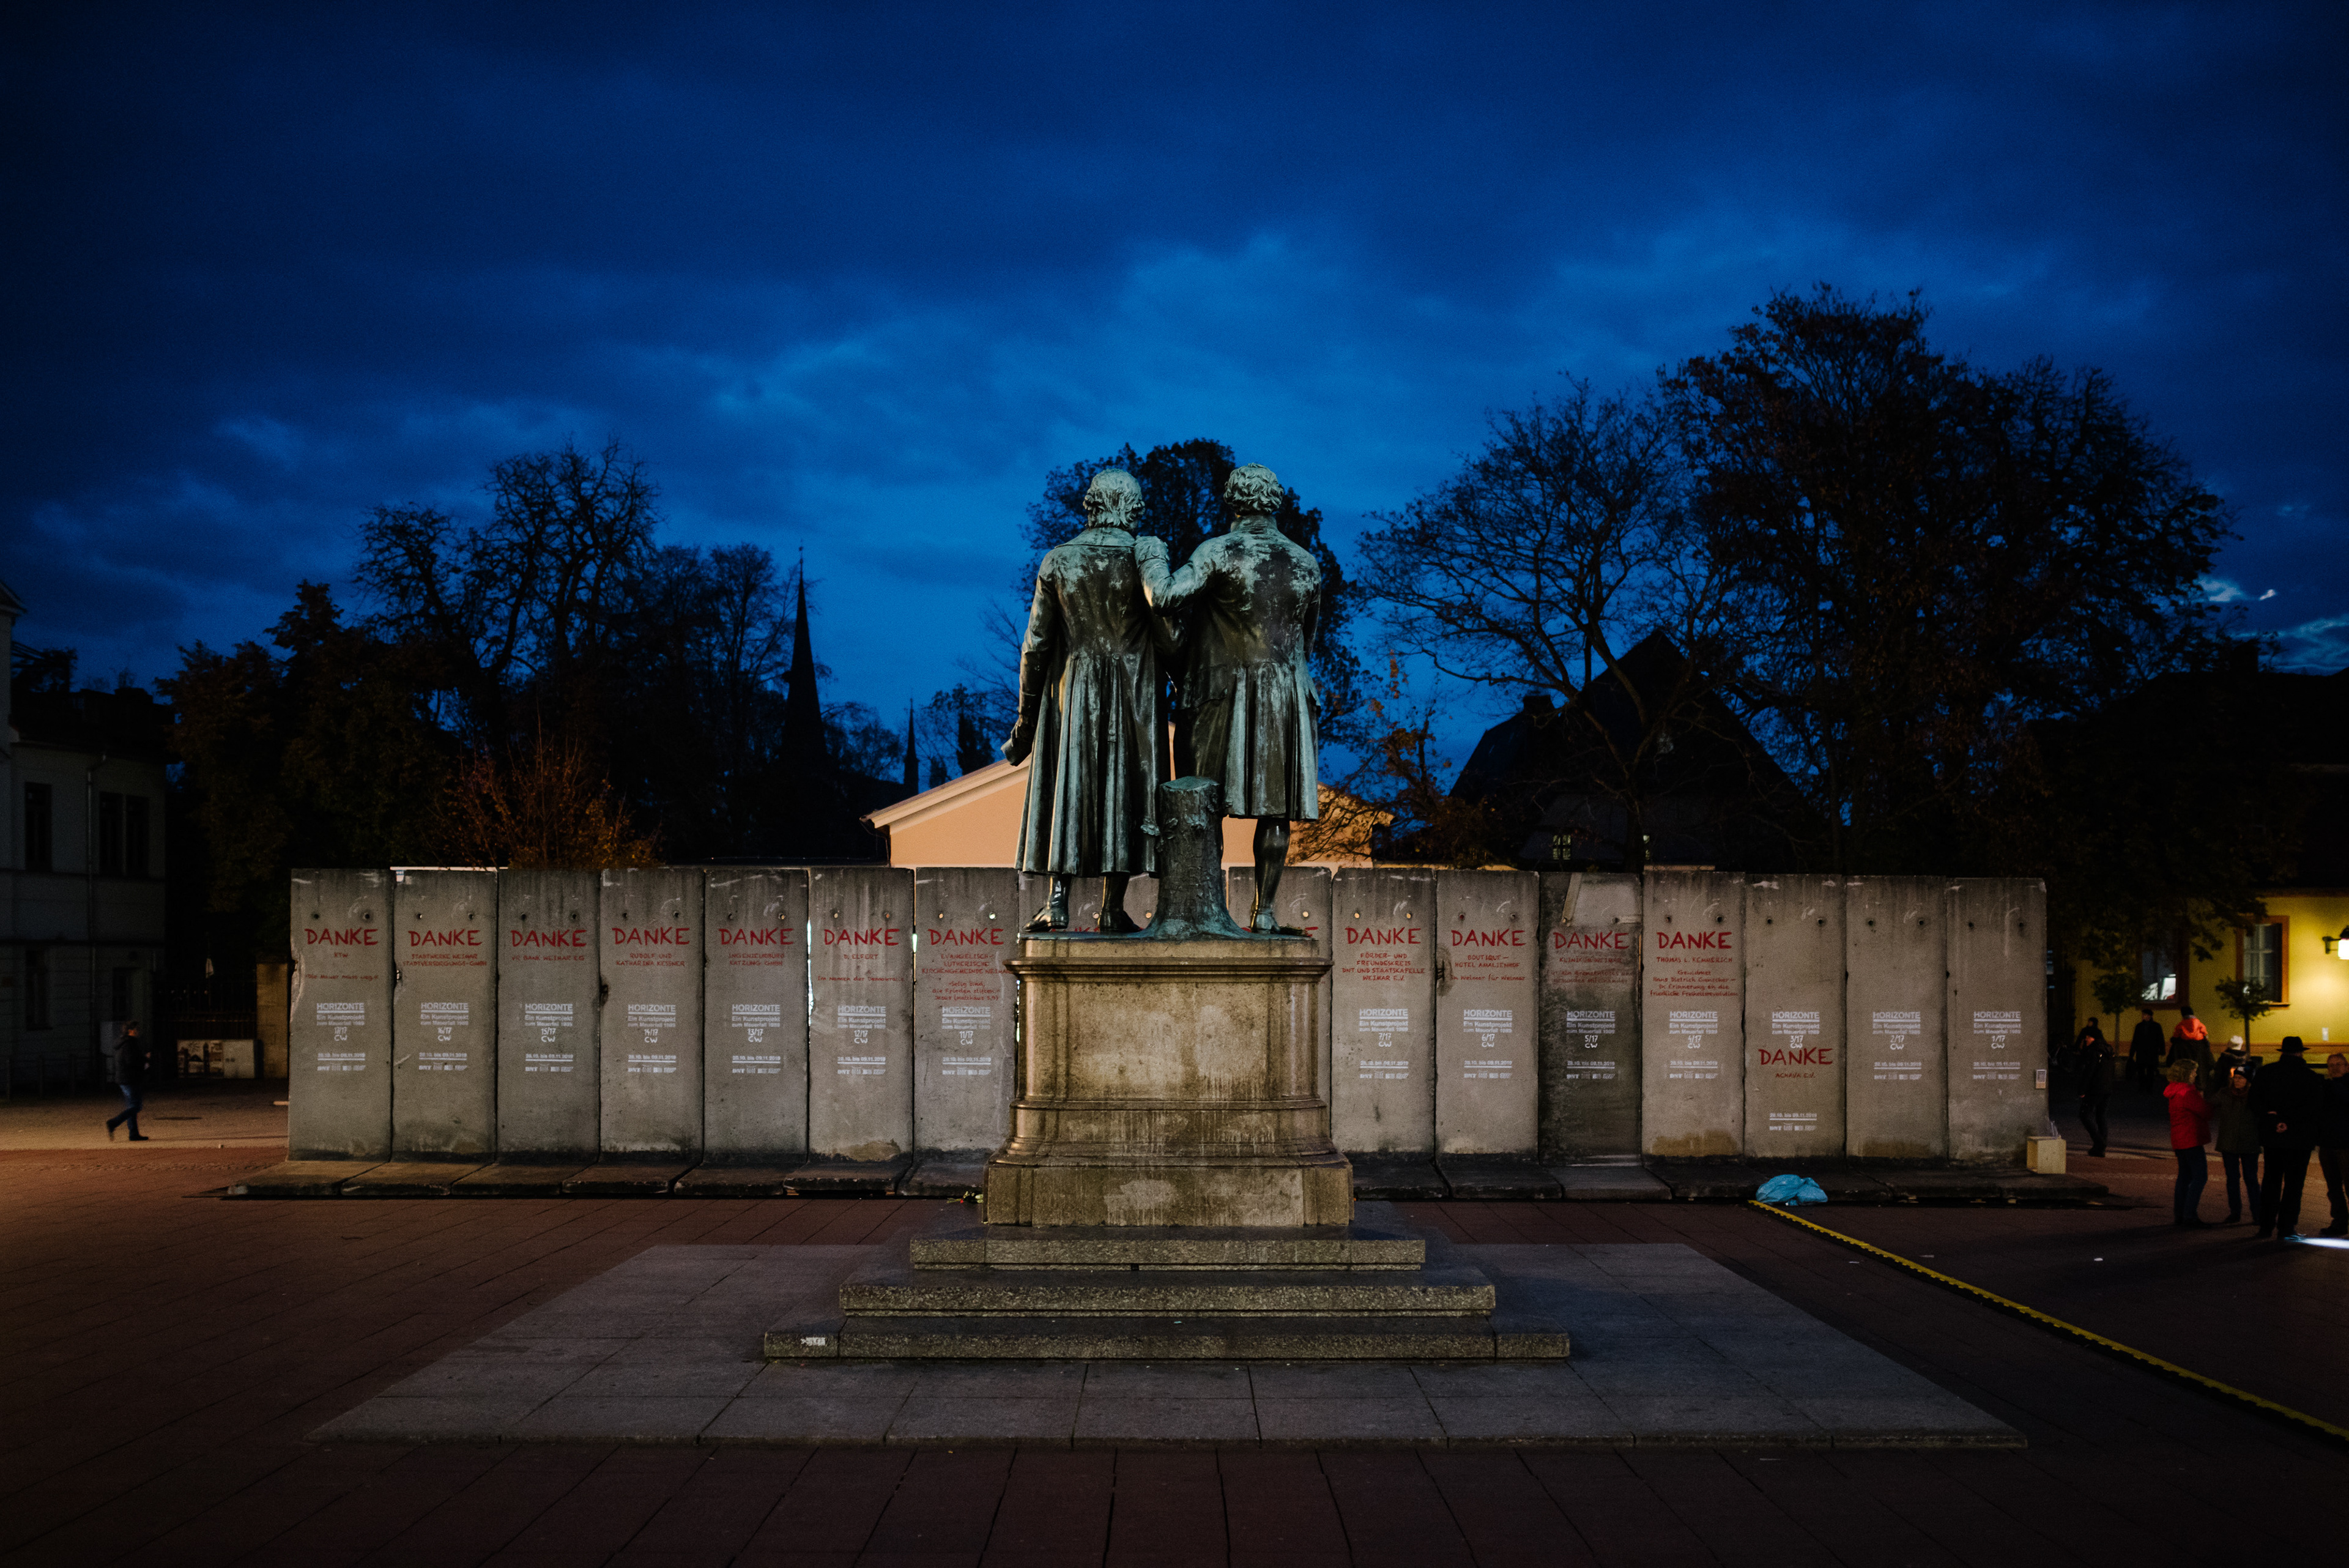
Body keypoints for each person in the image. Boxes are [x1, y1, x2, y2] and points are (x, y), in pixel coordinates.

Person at [1136, 462, 1323, 933]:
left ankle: (1207, 909)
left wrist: (1151, 557)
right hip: (1286, 695)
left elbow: (1165, 595)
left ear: (1233, 503)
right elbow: (1307, 639)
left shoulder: (1218, 552)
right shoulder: (1305, 563)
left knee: (1203, 802)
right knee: (1276, 810)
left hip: (1222, 695)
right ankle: (1265, 911)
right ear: (1274, 502)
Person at [1003, 468, 1174, 932]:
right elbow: (1170, 638)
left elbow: (1035, 646)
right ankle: (1112, 907)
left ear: (1091, 506)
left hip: (1073, 690)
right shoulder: (1144, 559)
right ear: (1133, 509)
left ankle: (1057, 900)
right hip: (1134, 689)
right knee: (1126, 790)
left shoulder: (1058, 561)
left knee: (1071, 785)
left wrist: (1025, 719)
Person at [2249, 1035, 2326, 1241]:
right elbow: (2315, 1109)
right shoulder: (2311, 1077)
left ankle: (2266, 1226)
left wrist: (2275, 1120)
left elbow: (2254, 1102)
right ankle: (2287, 1227)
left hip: (2273, 1137)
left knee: (2271, 1181)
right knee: (2294, 1184)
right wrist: (2289, 1122)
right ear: (2301, 1053)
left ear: (2282, 1052)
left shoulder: (2266, 1073)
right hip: (2300, 1138)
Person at [2210, 1050, 2264, 1225]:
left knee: (2251, 1178)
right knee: (2232, 1179)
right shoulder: (2225, 1093)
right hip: (2228, 1143)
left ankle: (2257, 1212)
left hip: (2249, 1143)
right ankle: (2235, 1212)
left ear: (2248, 1081)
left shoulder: (2255, 1096)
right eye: (2236, 1078)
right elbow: (2209, 1105)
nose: (2238, 1081)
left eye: (2241, 1078)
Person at [2162, 1061, 2211, 1227]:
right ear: (2186, 1074)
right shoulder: (2188, 1093)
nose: (2195, 1075)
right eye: (2193, 1072)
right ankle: (2190, 1215)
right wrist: (2205, 1101)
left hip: (2179, 1139)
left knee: (2184, 1177)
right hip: (2192, 1139)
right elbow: (2205, 1112)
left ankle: (2180, 1214)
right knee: (2200, 1177)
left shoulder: (2174, 1091)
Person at [2072, 1020, 2115, 1157]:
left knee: (2085, 1115)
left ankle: (2100, 1143)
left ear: (2094, 1038)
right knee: (2101, 1116)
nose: (2086, 1040)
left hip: (2095, 1089)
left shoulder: (2093, 1052)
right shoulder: (2108, 1051)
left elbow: (2088, 1073)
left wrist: (2082, 1090)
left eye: (2089, 1037)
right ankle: (2100, 1148)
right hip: (2107, 1089)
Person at [2318, 1051, 2349, 1239]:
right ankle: (2339, 1222)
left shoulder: (2339, 1086)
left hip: (2346, 1144)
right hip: (2328, 1143)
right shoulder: (2326, 1087)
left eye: (2339, 1064)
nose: (2334, 1068)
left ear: (2347, 1067)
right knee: (2333, 1187)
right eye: (2331, 1065)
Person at [105, 1022, 152, 1142]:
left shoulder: (123, 1043)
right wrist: (145, 1059)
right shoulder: (130, 1044)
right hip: (130, 1079)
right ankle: (113, 1123)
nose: (138, 1031)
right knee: (136, 1106)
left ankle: (133, 1134)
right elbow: (131, 1061)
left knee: (132, 1106)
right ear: (130, 1031)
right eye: (136, 1029)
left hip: (124, 1079)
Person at [2165, 1007, 2214, 1086]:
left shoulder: (2180, 1027)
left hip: (2183, 1053)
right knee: (2200, 1081)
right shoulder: (2200, 1025)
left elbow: (2175, 1038)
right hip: (2200, 1057)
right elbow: (2205, 1036)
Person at [2128, 1008, 2167, 1091]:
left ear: (2149, 1016)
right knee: (2145, 1070)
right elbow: (2160, 1038)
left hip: (2146, 1051)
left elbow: (2160, 1038)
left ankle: (2146, 1087)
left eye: (2144, 1015)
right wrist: (2162, 1050)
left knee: (2148, 1070)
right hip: (2150, 1051)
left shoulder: (2141, 1026)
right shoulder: (2154, 1026)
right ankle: (2146, 1087)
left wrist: (2132, 1052)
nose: (2143, 1016)